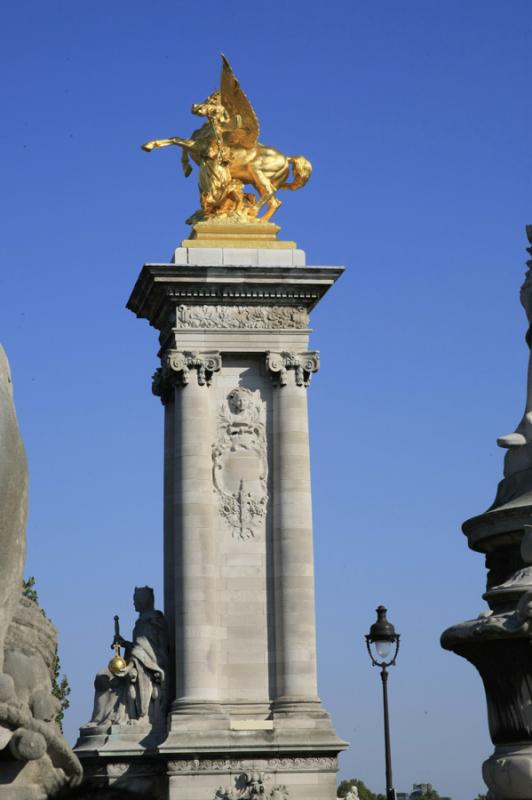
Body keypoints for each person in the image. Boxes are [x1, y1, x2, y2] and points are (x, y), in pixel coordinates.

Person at [87, 586, 168, 729]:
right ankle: (100, 717)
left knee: (106, 679)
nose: (133, 604)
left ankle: (142, 715)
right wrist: (124, 644)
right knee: (102, 677)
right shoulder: (143, 621)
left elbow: (151, 652)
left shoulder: (152, 621)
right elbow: (140, 648)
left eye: (135, 600)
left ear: (144, 601)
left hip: (146, 669)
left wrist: (131, 666)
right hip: (137, 663)